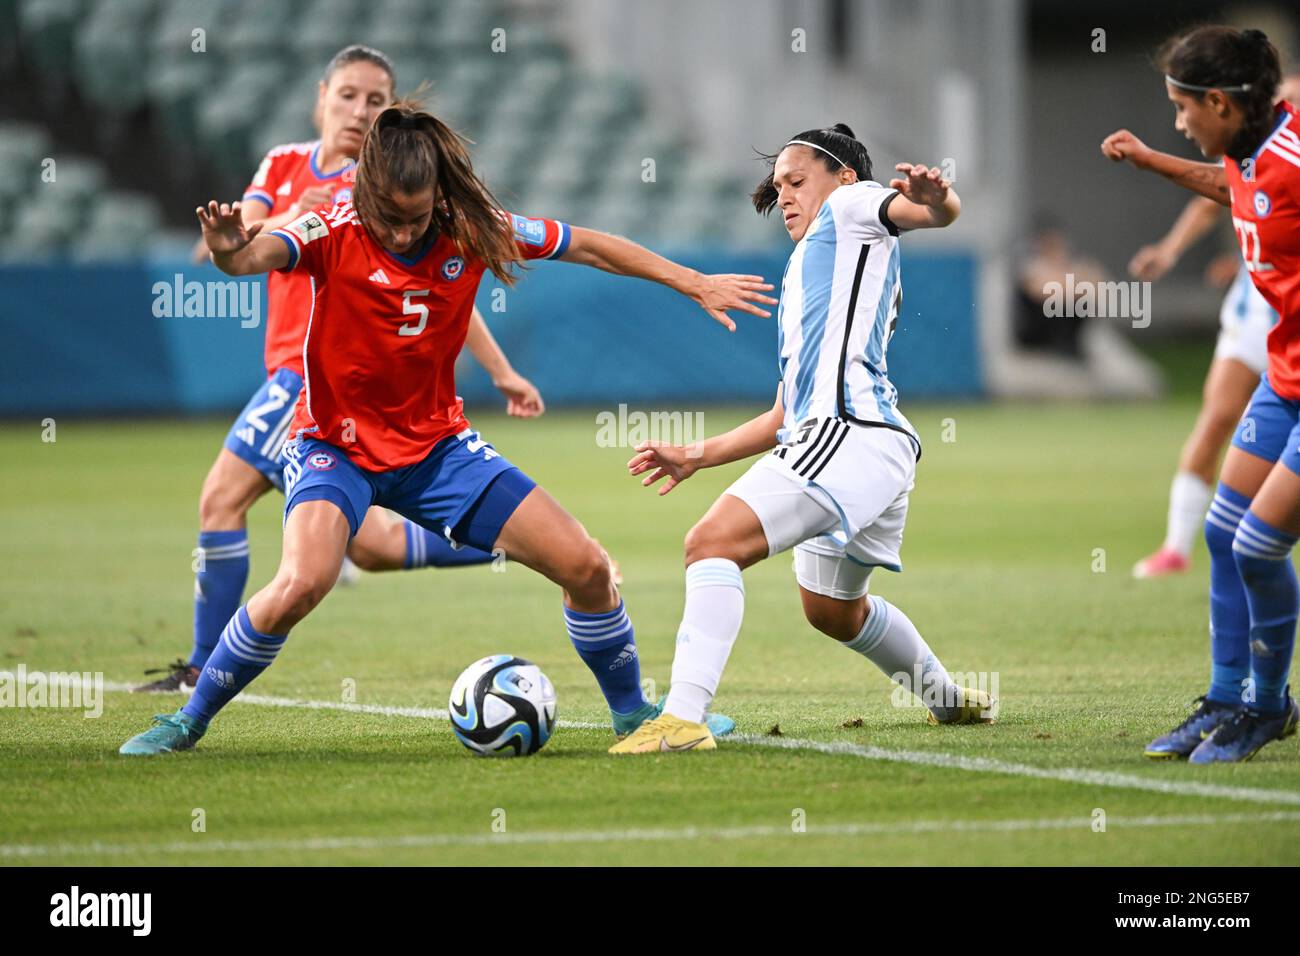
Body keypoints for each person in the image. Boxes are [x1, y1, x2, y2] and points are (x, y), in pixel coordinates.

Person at [119, 102, 774, 754]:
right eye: (391, 219)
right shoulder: (328, 226)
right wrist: (232, 250)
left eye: (417, 216)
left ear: (438, 192)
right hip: (333, 447)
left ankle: (633, 715)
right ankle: (187, 720)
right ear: (367, 192)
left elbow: (590, 246)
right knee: (302, 583)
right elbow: (253, 256)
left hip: (437, 447)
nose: (404, 233)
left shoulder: (473, 226)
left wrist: (692, 283)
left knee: (587, 567)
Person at [135, 46, 548, 694]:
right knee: (371, 548)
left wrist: (499, 369)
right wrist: (233, 238)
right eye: (349, 95)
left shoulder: (390, 190)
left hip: (318, 383)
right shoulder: (284, 163)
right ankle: (506, 537)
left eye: (376, 100)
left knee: (222, 496)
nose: (359, 110)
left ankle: (199, 667)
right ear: (321, 96)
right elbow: (246, 235)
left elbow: (443, 292)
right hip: (291, 370)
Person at [610, 124, 994, 755]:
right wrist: (694, 456)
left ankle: (681, 720)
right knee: (832, 611)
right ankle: (946, 698)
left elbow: (930, 212)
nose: (784, 195)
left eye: (796, 180)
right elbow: (785, 414)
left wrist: (936, 199)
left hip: (849, 437)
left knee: (710, 544)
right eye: (777, 186)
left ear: (844, 176)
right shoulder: (815, 268)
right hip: (869, 442)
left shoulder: (850, 207)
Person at [1102, 26, 1300, 761]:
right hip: (1285, 381)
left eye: (1182, 109)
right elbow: (1234, 188)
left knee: (1256, 547)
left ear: (1219, 101)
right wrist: (1153, 161)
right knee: (1222, 533)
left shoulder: (1293, 160)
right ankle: (1225, 698)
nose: (1179, 121)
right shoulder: (1252, 153)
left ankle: (1267, 707)